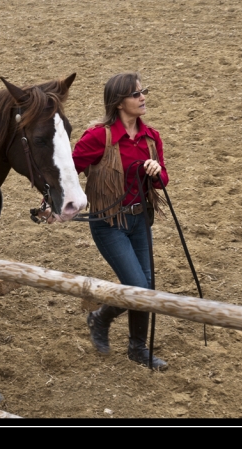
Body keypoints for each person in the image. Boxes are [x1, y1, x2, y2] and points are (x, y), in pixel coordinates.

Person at [72, 71, 169, 370]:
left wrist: (156, 172)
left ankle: (136, 348)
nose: (143, 98)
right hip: (108, 223)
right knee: (137, 284)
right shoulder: (98, 136)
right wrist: (53, 201)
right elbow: (68, 169)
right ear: (118, 103)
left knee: (146, 287)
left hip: (140, 220)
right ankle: (100, 318)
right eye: (136, 94)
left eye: (143, 92)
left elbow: (162, 182)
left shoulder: (151, 137)